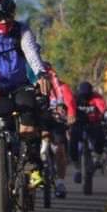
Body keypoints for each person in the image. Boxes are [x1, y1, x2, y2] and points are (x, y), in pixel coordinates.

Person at [0, 0, 52, 195]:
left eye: (7, 16)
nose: (3, 22)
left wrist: (41, 74)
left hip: (19, 85)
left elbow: (32, 54)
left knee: (29, 118)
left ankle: (32, 164)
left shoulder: (22, 30)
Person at [40, 62, 75, 198]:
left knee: (60, 150)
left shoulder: (62, 87)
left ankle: (60, 183)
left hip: (57, 120)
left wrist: (71, 114)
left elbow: (69, 101)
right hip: (40, 120)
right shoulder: (32, 83)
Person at [69, 81, 107, 183]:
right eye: (83, 95)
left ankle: (97, 157)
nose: (85, 97)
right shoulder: (75, 98)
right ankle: (77, 169)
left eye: (87, 95)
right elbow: (70, 108)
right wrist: (68, 117)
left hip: (93, 124)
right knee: (72, 144)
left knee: (100, 137)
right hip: (78, 124)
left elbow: (102, 107)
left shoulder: (96, 97)